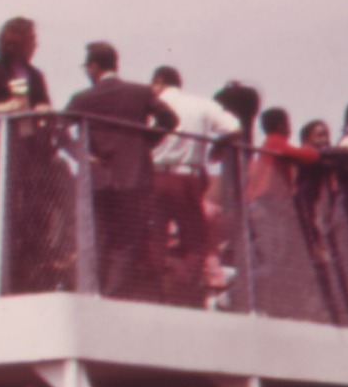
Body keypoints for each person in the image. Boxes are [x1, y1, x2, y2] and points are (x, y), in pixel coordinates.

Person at [65, 41, 177, 300]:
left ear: (93, 66)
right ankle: (114, 295)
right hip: (135, 176)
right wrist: (144, 143)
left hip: (98, 177)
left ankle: (94, 293)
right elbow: (170, 120)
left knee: (98, 236)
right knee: (126, 240)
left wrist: (80, 155)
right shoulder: (140, 92)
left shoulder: (83, 98)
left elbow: (58, 128)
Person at [0, 18, 57, 292]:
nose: (36, 45)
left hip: (33, 146)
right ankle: (3, 269)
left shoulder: (35, 74)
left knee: (34, 208)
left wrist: (43, 109)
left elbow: (44, 103)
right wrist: (3, 108)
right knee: (4, 206)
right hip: (7, 143)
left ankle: (32, 270)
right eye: (32, 39)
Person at [147, 66, 242, 309]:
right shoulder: (201, 104)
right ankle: (185, 292)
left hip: (156, 175)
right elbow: (234, 128)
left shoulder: (152, 103)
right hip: (188, 177)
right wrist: (217, 146)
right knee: (195, 240)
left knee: (155, 237)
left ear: (158, 81)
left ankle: (155, 292)